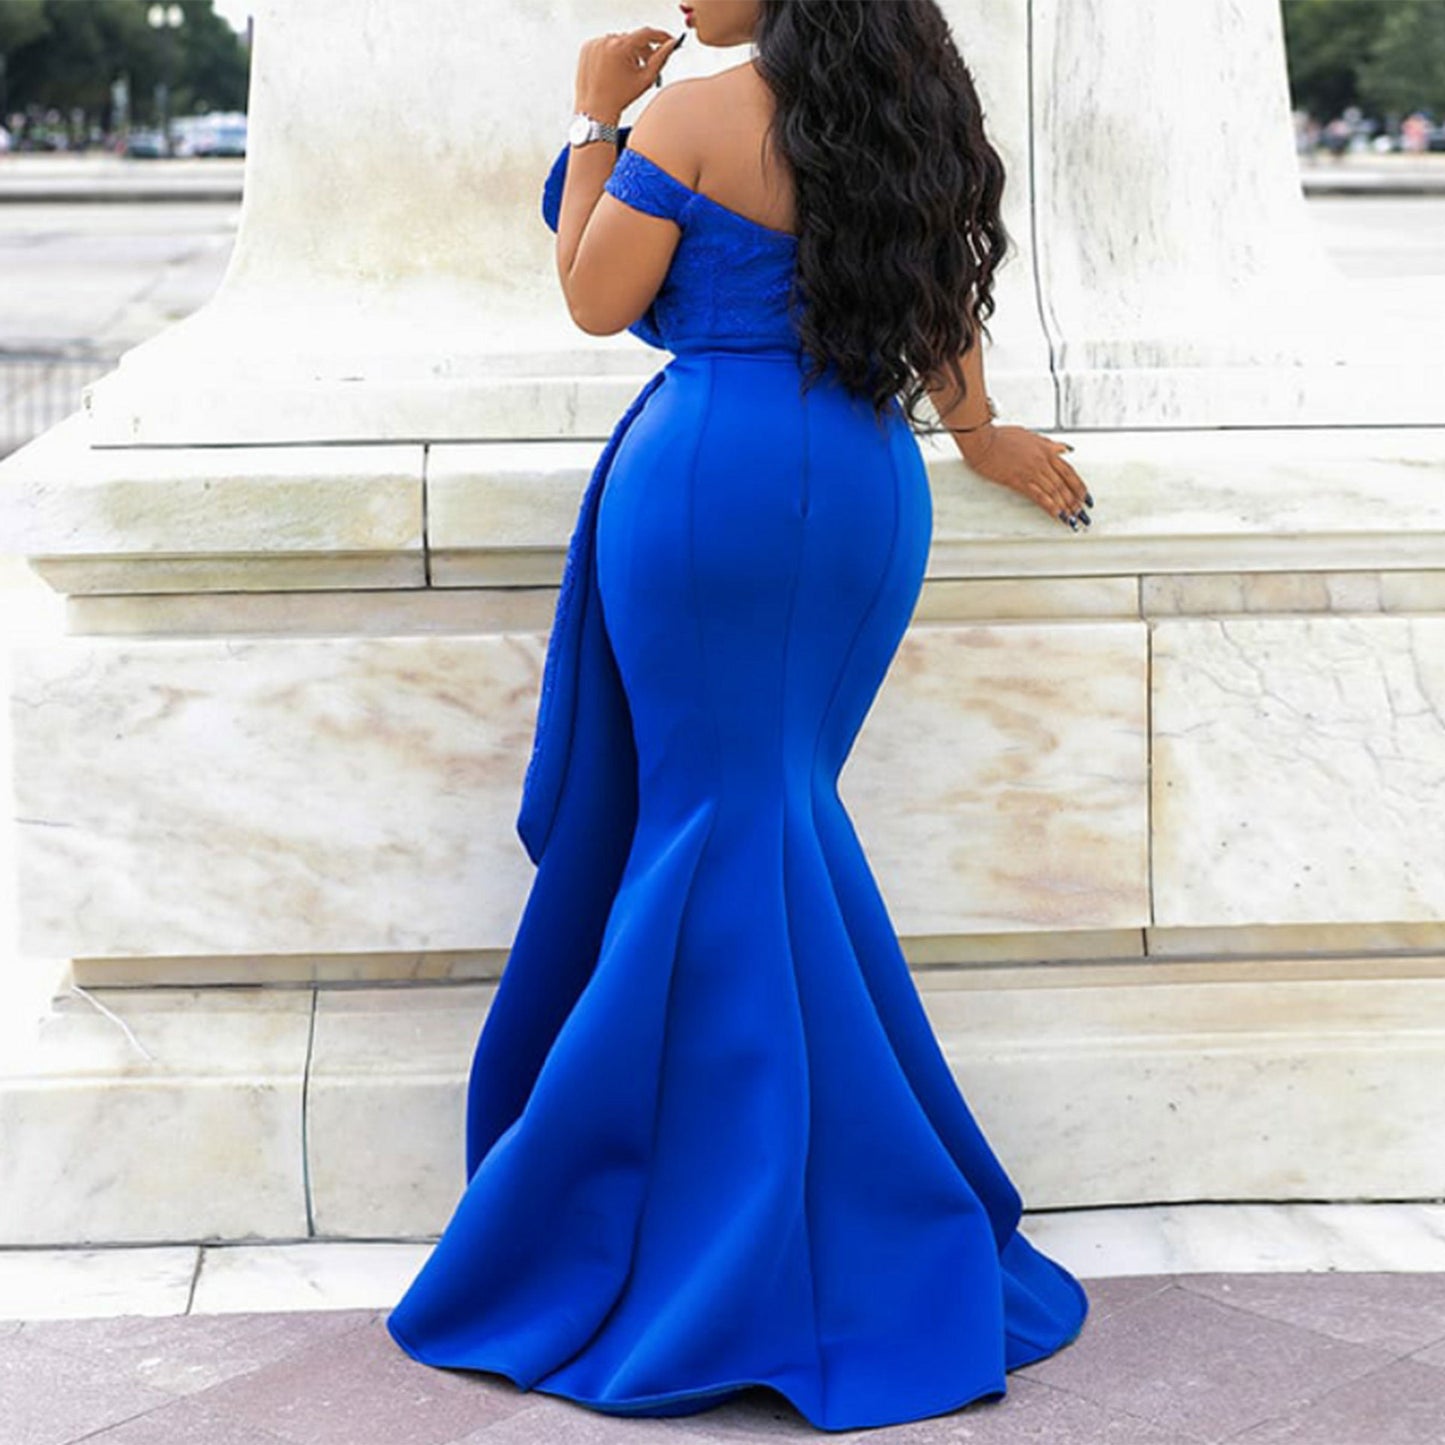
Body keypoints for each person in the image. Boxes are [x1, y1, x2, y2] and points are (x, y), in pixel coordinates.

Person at [387, 1, 1092, 1431]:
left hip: (713, 482)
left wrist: (594, 118)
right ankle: (827, 1201)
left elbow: (594, 297)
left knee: (723, 827)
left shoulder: (692, 117)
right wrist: (978, 435)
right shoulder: (911, 110)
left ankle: (725, 1232)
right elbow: (935, 306)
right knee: (766, 817)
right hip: (860, 487)